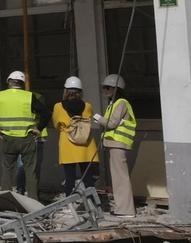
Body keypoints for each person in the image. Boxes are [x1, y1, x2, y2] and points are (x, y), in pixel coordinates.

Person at [0, 70, 51, 198]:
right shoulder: (29, 96)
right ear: (22, 84)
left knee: (7, 170)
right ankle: (33, 200)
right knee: (30, 171)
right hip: (27, 139)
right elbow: (46, 113)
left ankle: (6, 200)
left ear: (9, 83)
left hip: (8, 139)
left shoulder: (1, 96)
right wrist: (39, 129)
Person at [94, 73, 137, 217]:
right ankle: (122, 209)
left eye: (108, 87)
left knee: (121, 178)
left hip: (118, 144)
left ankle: (126, 210)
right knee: (118, 178)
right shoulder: (114, 104)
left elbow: (112, 123)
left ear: (116, 89)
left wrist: (97, 117)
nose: (105, 90)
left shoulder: (121, 103)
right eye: (104, 88)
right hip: (114, 144)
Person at [51, 76, 99, 195]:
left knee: (69, 178)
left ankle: (70, 202)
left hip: (68, 144)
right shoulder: (88, 106)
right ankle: (92, 201)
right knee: (88, 178)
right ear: (80, 92)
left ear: (66, 91)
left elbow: (56, 124)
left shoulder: (58, 107)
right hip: (86, 144)